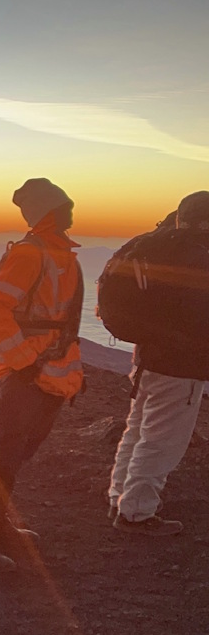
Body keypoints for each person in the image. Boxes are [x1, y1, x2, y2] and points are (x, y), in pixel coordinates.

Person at [0, 177, 85, 572]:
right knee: (2, 456)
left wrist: (69, 373)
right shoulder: (31, 254)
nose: (71, 209)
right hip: (27, 373)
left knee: (15, 456)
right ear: (48, 212)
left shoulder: (62, 254)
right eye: (63, 204)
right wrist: (23, 362)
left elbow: (61, 321)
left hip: (48, 373)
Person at [106, 191, 209, 536]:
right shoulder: (197, 257)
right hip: (181, 366)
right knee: (162, 441)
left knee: (137, 430)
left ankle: (120, 495)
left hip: (148, 357)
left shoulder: (159, 247)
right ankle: (136, 513)